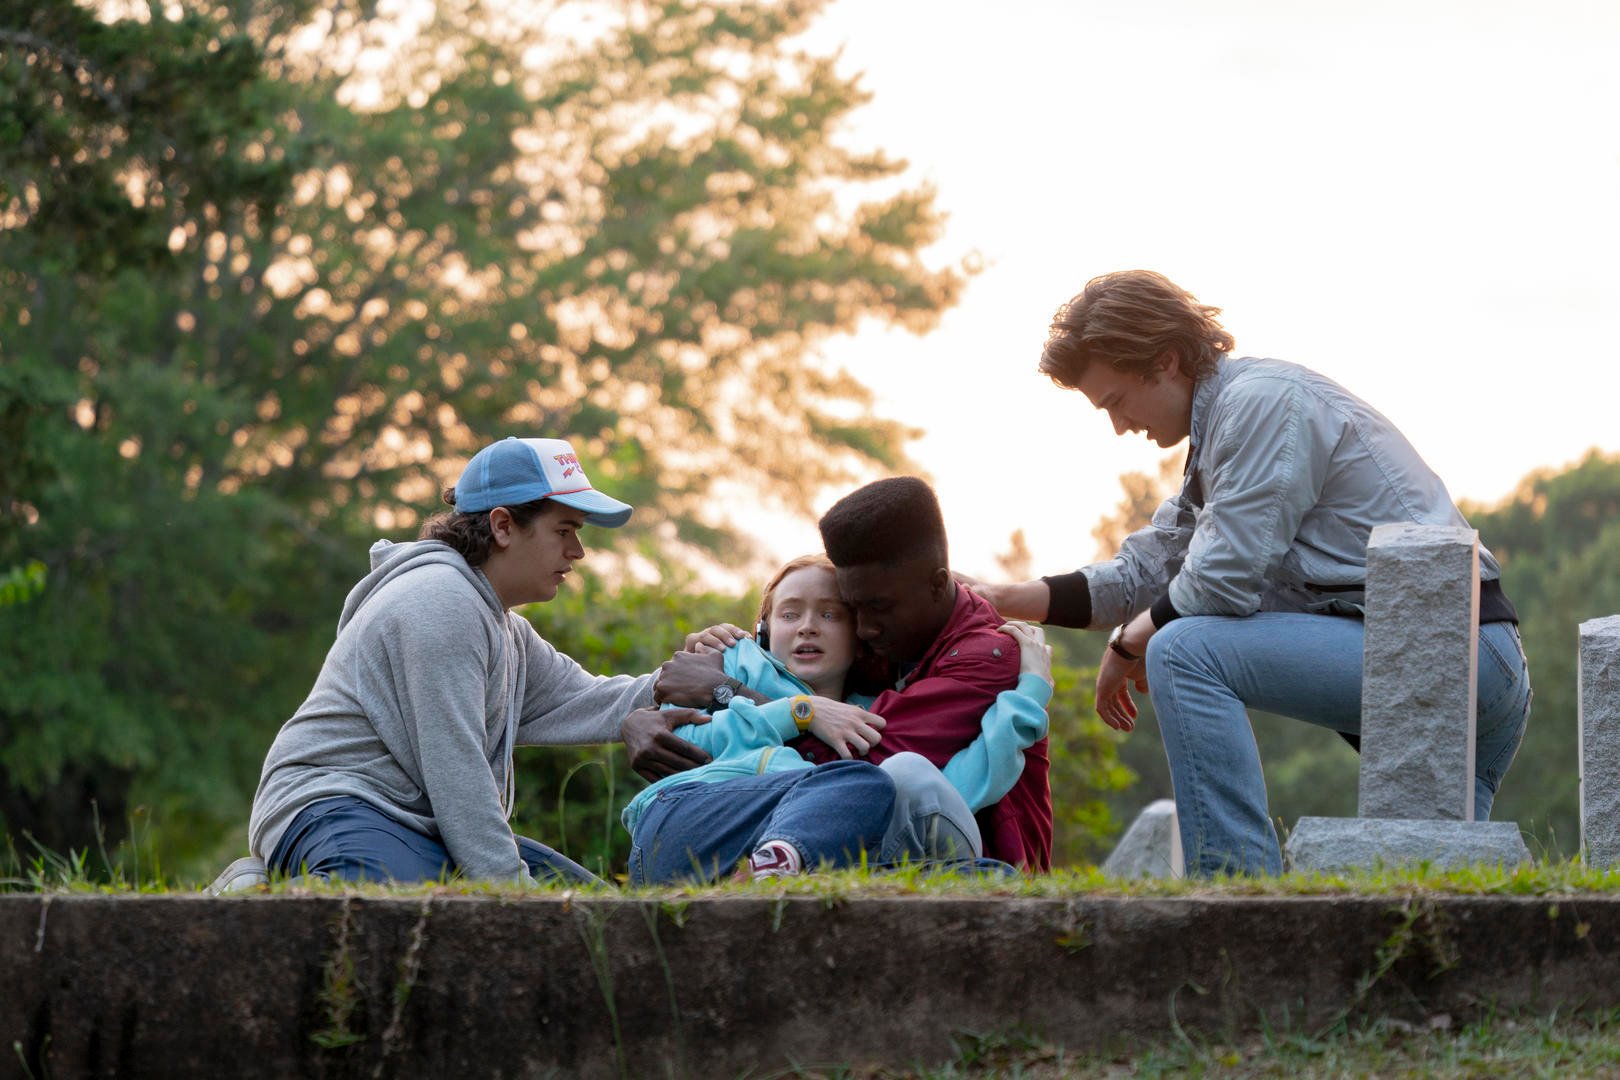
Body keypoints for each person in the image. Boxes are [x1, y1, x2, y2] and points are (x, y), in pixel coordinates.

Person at [970, 269, 1532, 876]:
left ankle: (1235, 888)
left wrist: (1129, 642)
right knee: (1428, 886)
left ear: (1166, 360)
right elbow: (1146, 572)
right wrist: (1004, 598)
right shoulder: (1223, 432)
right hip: (1449, 658)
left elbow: (1219, 579)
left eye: (1116, 401)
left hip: (1448, 652)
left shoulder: (1262, 405)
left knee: (1183, 650)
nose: (1119, 426)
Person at [247, 436, 658, 886]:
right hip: (333, 805)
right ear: (503, 526)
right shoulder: (441, 602)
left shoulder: (502, 626)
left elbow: (589, 700)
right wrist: (523, 902)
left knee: (598, 917)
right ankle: (252, 894)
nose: (577, 551)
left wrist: (706, 673)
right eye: (564, 531)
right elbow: (458, 775)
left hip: (418, 829)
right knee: (400, 913)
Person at [633, 477, 1056, 871]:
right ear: (762, 627)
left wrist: (758, 700)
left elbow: (871, 773)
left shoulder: (978, 656)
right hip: (691, 820)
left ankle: (779, 863)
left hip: (930, 853)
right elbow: (675, 742)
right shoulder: (736, 657)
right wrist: (654, 708)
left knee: (896, 778)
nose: (866, 627)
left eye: (836, 614)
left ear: (935, 585)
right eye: (789, 613)